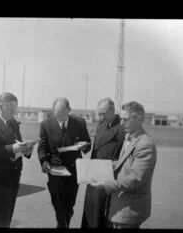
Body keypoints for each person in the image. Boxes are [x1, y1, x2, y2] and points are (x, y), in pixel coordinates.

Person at [90, 101, 157, 229]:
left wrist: (106, 184)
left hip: (129, 209)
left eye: (126, 120)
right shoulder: (129, 137)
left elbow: (135, 179)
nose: (121, 123)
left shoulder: (145, 144)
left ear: (139, 120)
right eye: (121, 119)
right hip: (119, 204)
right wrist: (108, 165)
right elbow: (125, 163)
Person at [0, 92, 33, 228]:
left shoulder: (13, 122)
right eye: (11, 110)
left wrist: (26, 149)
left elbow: (17, 142)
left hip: (13, 179)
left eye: (15, 109)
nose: (14, 112)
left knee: (6, 220)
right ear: (0, 106)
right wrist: (12, 148)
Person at [38, 97, 92, 228]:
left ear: (69, 110)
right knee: (57, 199)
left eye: (63, 113)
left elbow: (87, 143)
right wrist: (44, 161)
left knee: (69, 202)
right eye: (57, 113)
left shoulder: (80, 122)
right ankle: (62, 223)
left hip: (74, 168)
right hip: (55, 167)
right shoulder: (46, 124)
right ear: (53, 111)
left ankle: (63, 221)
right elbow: (42, 147)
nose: (60, 117)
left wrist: (84, 146)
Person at [81, 98, 125, 228]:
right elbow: (95, 152)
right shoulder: (100, 126)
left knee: (103, 214)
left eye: (103, 113)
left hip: (109, 176)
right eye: (99, 113)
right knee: (91, 210)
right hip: (95, 174)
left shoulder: (122, 128)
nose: (100, 116)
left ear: (113, 111)